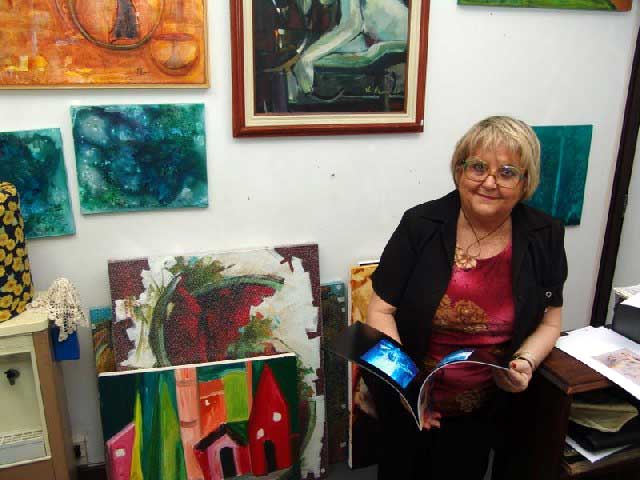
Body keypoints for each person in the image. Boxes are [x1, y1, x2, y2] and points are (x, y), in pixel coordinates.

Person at [366, 116, 568, 479]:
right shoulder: (420, 225)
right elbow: (381, 310)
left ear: (525, 182)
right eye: (478, 167)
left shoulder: (545, 234)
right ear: (460, 170)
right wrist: (408, 389)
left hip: (483, 410)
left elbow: (550, 321)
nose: (489, 182)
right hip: (409, 399)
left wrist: (525, 361)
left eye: (507, 172)